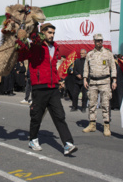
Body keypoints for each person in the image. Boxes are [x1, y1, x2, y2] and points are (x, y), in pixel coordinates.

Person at [18, 23, 78, 156]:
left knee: (60, 116)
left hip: (53, 88)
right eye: (49, 32)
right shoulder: (35, 46)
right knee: (37, 116)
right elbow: (21, 55)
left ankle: (68, 144)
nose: (52, 35)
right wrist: (21, 38)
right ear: (43, 32)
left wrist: (59, 80)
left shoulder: (55, 47)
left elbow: (53, 67)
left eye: (53, 33)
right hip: (39, 87)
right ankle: (33, 139)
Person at [83, 34, 117, 136]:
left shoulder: (108, 53)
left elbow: (113, 67)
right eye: (97, 40)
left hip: (105, 82)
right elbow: (86, 68)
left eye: (101, 40)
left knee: (105, 104)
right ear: (94, 41)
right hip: (93, 82)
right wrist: (85, 79)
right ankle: (92, 124)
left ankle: (106, 126)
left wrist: (114, 80)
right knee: (92, 104)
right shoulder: (90, 54)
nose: (99, 42)